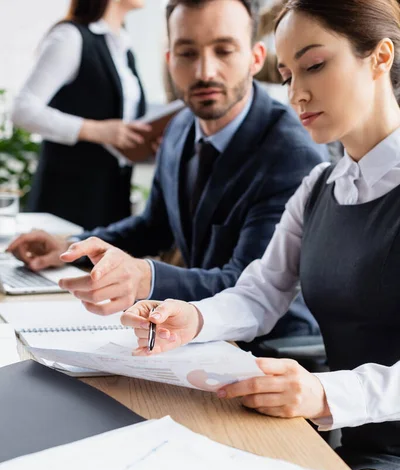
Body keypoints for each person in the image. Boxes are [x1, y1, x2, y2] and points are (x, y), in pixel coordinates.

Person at [122, 0, 400, 470]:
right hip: (342, 437)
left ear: (379, 57)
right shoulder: (319, 186)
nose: (296, 93)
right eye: (288, 73)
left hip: (383, 447)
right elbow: (261, 293)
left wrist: (323, 391)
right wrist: (193, 319)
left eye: (315, 65)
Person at [8, 0, 326, 342]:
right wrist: (74, 247)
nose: (205, 71)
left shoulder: (291, 154)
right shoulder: (179, 129)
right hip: (190, 335)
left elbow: (250, 286)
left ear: (256, 58)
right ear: (170, 61)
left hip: (269, 350)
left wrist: (146, 277)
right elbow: (153, 227)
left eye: (224, 50)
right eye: (187, 53)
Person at [11, 0, 148, 230]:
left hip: (112, 194)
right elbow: (23, 109)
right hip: (69, 197)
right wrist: (96, 131)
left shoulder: (123, 47)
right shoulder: (71, 37)